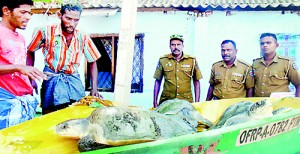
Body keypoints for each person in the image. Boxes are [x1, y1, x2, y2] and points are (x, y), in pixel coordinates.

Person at [27, 3, 102, 114]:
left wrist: (94, 87)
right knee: (49, 115)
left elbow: (92, 61)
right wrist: (31, 78)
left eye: (76, 20)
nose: (72, 24)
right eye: (68, 18)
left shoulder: (83, 37)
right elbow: (30, 51)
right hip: (51, 78)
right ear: (59, 15)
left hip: (73, 79)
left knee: (77, 114)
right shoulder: (45, 32)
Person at [0, 0, 47, 129]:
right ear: (6, 11)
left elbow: (19, 64)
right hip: (4, 101)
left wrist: (30, 80)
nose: (28, 17)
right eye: (23, 12)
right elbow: (19, 67)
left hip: (22, 98)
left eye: (30, 13)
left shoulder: (21, 37)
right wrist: (19, 68)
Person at [153, 34, 202, 108]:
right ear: (169, 46)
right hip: (167, 101)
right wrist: (154, 101)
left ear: (183, 46)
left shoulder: (192, 61)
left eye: (178, 44)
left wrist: (197, 103)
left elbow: (196, 82)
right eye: (173, 45)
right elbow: (157, 81)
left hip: (186, 102)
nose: (176, 47)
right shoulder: (163, 60)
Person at [253, 33, 300, 97]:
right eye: (262, 43)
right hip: (260, 103)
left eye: (268, 43)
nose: (265, 45)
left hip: (279, 103)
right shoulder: (256, 63)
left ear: (276, 45)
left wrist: (297, 102)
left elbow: (298, 83)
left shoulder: (286, 63)